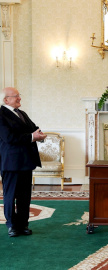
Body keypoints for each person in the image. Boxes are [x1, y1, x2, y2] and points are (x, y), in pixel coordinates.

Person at [0, 87, 47, 237]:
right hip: (11, 162)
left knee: (24, 196)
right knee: (10, 195)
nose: (19, 98)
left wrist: (40, 134)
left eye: (19, 96)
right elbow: (10, 139)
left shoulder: (22, 113)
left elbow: (33, 128)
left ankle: (23, 225)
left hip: (26, 161)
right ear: (6, 99)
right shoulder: (1, 115)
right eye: (16, 96)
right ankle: (12, 226)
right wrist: (33, 136)